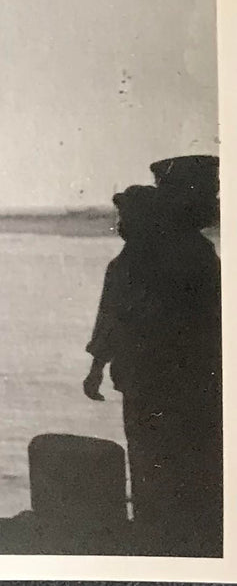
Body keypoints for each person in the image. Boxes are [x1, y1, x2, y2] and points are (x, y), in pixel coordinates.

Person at [83, 162, 221, 555]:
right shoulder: (195, 253)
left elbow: (110, 319)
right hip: (186, 379)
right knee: (183, 462)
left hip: (155, 380)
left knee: (154, 460)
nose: (120, 225)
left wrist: (96, 367)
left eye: (124, 217)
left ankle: (160, 536)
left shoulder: (135, 261)